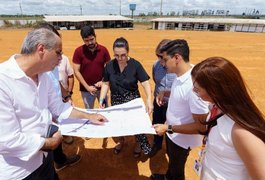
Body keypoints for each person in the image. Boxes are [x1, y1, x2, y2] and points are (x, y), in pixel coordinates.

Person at [0, 28, 107, 180]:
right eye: (58, 52)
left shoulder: (45, 76)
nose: (61, 58)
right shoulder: (3, 81)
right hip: (19, 172)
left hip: (44, 159)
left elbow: (59, 108)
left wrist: (89, 116)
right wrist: (50, 143)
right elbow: (7, 141)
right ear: (41, 49)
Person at [191, 57, 265, 180]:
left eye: (197, 89)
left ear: (215, 90)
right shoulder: (215, 108)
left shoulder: (241, 132)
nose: (194, 91)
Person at [153, 39, 209, 180]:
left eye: (165, 59)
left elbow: (201, 127)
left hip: (182, 141)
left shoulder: (194, 85)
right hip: (173, 135)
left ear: (177, 58)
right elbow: (181, 96)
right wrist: (166, 92)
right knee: (173, 164)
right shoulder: (181, 74)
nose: (162, 63)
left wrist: (168, 128)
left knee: (177, 172)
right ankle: (167, 177)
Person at [99, 37, 153, 157]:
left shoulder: (136, 65)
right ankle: (120, 141)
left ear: (128, 52)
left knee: (136, 124)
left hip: (132, 100)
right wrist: (102, 98)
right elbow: (106, 83)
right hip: (116, 100)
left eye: (123, 55)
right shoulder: (109, 65)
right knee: (119, 124)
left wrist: (149, 99)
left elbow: (145, 83)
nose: (120, 58)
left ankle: (139, 143)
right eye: (117, 55)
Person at [149, 39, 176, 158]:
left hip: (172, 106)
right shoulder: (156, 65)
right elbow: (155, 80)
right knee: (156, 124)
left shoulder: (177, 69)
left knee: (171, 129)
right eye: (158, 56)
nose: (160, 60)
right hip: (158, 104)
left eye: (162, 57)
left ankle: (171, 149)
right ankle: (157, 144)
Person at [73, 25, 110, 109]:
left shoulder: (103, 50)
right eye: (86, 41)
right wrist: (87, 87)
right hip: (86, 91)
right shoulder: (78, 52)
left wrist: (103, 81)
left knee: (105, 109)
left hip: (102, 89)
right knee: (89, 111)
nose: (90, 43)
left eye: (91, 39)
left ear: (95, 36)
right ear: (83, 39)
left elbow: (109, 68)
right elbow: (76, 71)